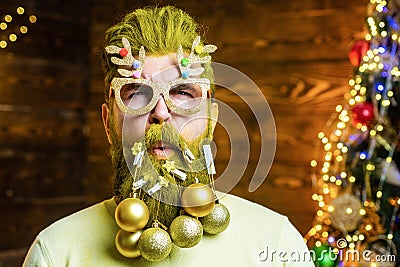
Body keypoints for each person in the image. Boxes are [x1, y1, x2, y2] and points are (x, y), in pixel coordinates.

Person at [23, 6, 314, 266]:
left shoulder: (276, 242)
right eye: (137, 94)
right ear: (107, 121)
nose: (160, 112)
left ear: (211, 119)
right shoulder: (55, 251)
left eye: (183, 92)